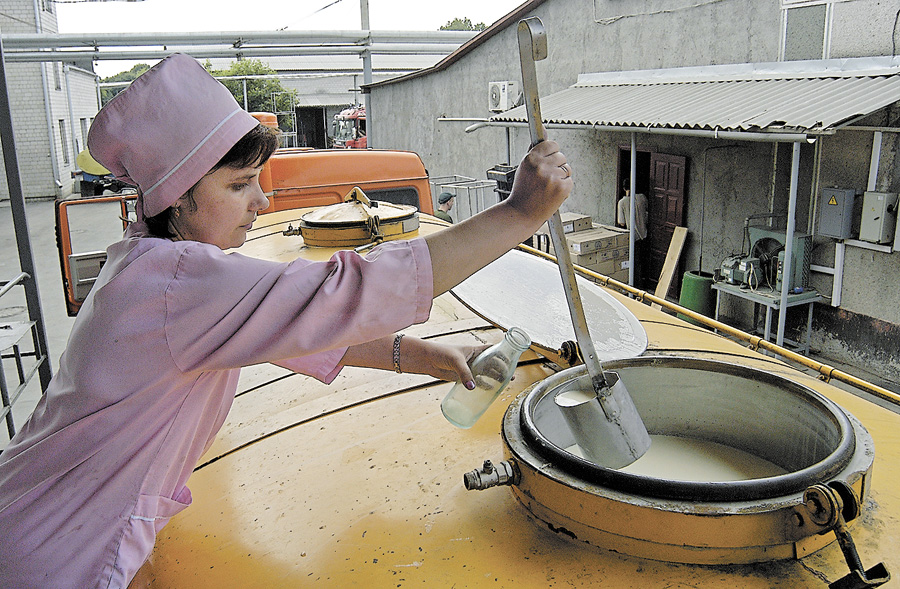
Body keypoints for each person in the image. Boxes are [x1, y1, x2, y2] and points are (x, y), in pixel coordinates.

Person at [0, 54, 572, 588]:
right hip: (52, 554)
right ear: (176, 196)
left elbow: (295, 327)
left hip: (35, 516)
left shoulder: (154, 270)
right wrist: (519, 214)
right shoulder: (178, 287)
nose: (263, 203)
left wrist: (418, 355)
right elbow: (350, 292)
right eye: (239, 184)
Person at [616, 177, 649, 285]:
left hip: (632, 236)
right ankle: (642, 284)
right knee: (642, 262)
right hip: (644, 234)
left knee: (633, 262)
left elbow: (621, 222)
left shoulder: (622, 202)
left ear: (624, 188)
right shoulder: (642, 198)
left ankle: (634, 286)